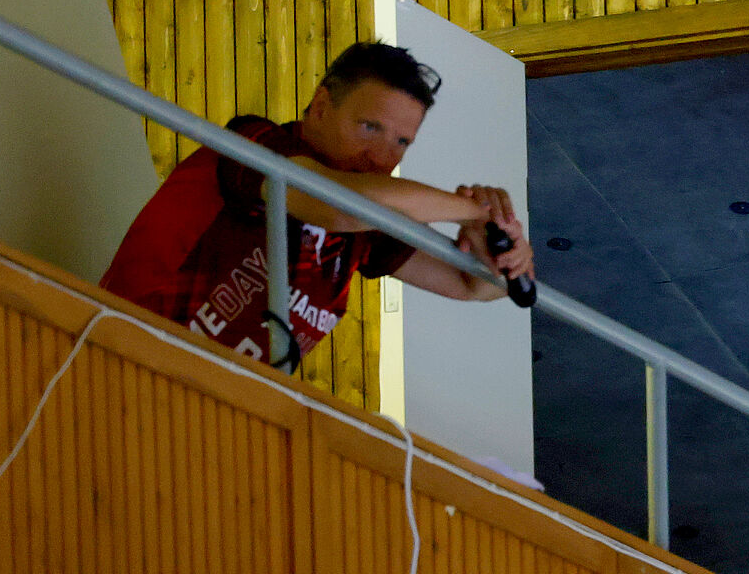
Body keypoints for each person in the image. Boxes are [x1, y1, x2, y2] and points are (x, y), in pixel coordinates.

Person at [100, 42, 534, 367]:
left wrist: (502, 251)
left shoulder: (367, 218)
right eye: (370, 127)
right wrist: (472, 209)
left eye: (402, 141)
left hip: (221, 403)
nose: (382, 157)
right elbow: (336, 206)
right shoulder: (255, 144)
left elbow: (473, 287)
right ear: (322, 106)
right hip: (122, 354)